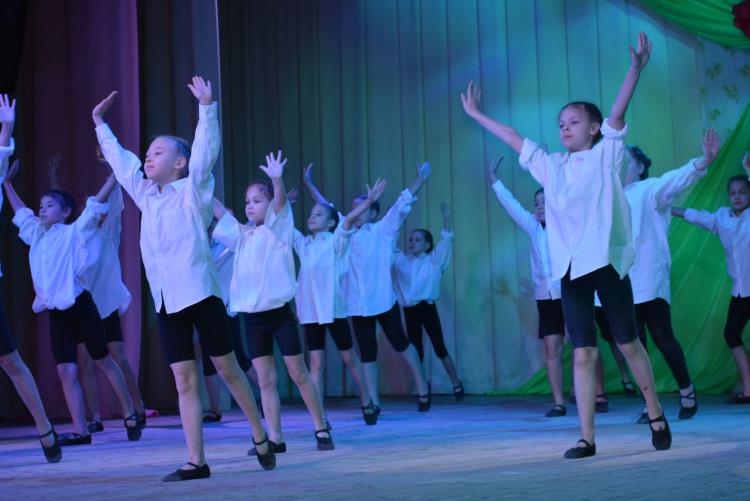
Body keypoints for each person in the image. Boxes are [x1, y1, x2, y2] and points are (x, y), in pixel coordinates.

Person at [462, 32, 671, 458]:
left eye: (573, 122)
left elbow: (617, 113)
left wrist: (634, 69)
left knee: (629, 344)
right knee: (583, 353)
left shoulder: (606, 156)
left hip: (606, 263)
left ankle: (655, 413)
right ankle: (586, 437)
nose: (564, 128)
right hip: (569, 270)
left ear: (593, 128)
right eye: (560, 124)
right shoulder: (551, 166)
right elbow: (513, 137)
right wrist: (477, 115)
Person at [93, 77, 274, 482]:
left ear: (179, 163)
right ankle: (197, 461)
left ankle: (260, 434)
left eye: (159, 152)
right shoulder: (146, 194)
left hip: (201, 296)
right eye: (148, 152)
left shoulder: (194, 190)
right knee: (184, 380)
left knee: (227, 370)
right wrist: (100, 124)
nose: (148, 157)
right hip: (166, 300)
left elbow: (205, 155)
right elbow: (122, 163)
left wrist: (207, 109)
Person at [672, 152, 750, 404]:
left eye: (743, 192)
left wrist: (749, 170)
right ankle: (749, 389)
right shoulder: (723, 217)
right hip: (740, 291)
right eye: (733, 193)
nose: (737, 197)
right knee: (731, 334)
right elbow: (697, 216)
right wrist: (668, 209)